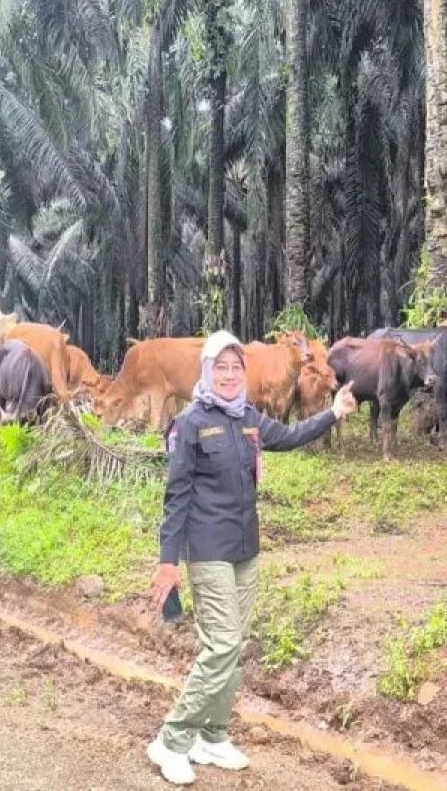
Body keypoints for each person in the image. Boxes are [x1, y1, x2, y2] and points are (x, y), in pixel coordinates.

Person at [147, 330, 357, 785]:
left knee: (233, 644)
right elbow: (176, 496)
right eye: (220, 367)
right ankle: (172, 739)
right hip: (207, 550)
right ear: (206, 372)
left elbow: (290, 435)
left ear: (244, 373)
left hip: (245, 549)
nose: (228, 375)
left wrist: (334, 414)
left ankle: (213, 734)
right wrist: (168, 561)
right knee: (220, 644)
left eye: (235, 367)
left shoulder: (247, 417)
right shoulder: (189, 423)